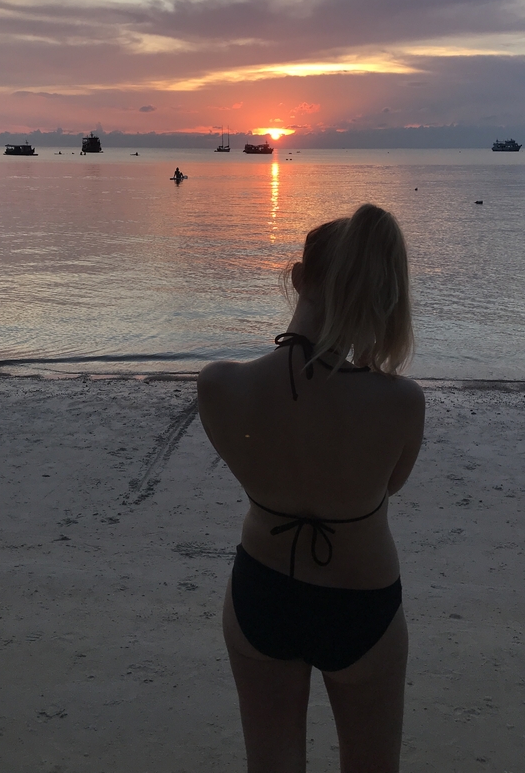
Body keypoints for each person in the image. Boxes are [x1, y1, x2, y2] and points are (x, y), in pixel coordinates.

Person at [197, 203, 425, 773]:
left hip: (263, 589)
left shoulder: (220, 386)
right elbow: (388, 486)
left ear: (298, 278)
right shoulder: (400, 402)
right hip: (362, 602)